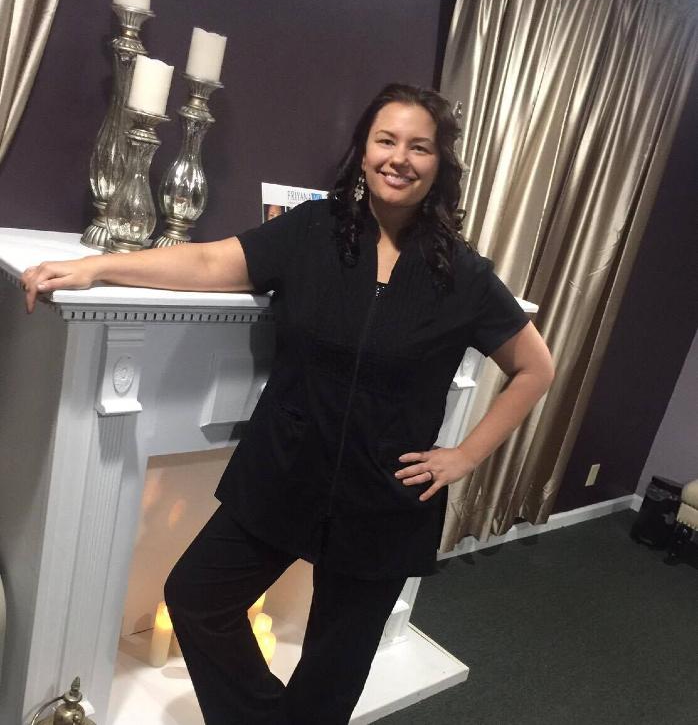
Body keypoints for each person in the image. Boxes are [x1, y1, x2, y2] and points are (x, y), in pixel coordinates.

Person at [21, 83, 555, 724]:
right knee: (196, 598)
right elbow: (211, 263)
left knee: (333, 673)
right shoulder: (314, 230)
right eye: (385, 140)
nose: (399, 158)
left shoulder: (462, 275)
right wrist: (101, 268)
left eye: (419, 147)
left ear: (439, 164)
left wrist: (464, 456)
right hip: (285, 469)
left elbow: (535, 368)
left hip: (385, 497)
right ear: (363, 150)